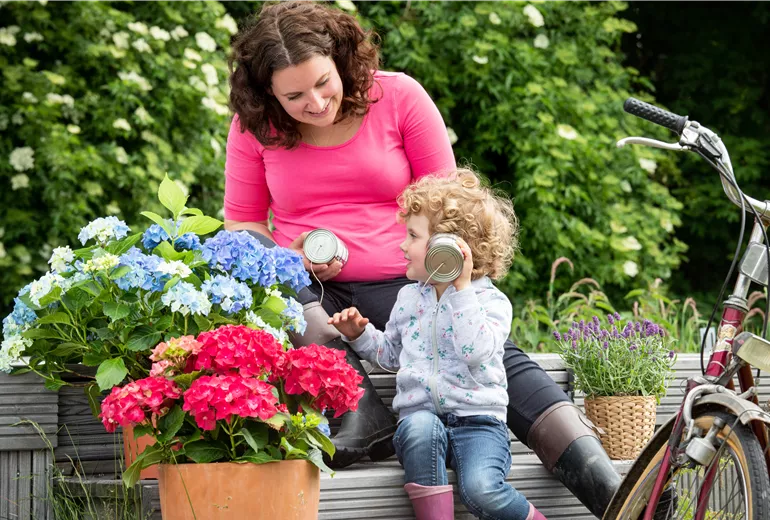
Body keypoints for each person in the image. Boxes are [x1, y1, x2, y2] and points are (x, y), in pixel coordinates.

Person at [224, 1, 621, 517]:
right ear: (267, 94)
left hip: (413, 281)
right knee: (250, 256)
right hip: (313, 296)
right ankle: (360, 411)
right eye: (294, 95)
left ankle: (615, 494)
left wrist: (445, 280)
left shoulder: (400, 97)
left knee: (491, 352)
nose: (316, 103)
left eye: (324, 83)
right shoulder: (254, 127)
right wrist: (287, 254)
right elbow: (243, 225)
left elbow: (454, 209)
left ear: (340, 61)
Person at [328, 170, 547, 520]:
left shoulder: (491, 303)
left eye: (413, 236)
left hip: (480, 424)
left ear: (446, 249)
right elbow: (392, 355)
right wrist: (359, 335)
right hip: (422, 422)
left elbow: (475, 352)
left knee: (482, 491)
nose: (402, 245)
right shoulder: (409, 298)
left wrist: (459, 290)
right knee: (417, 426)